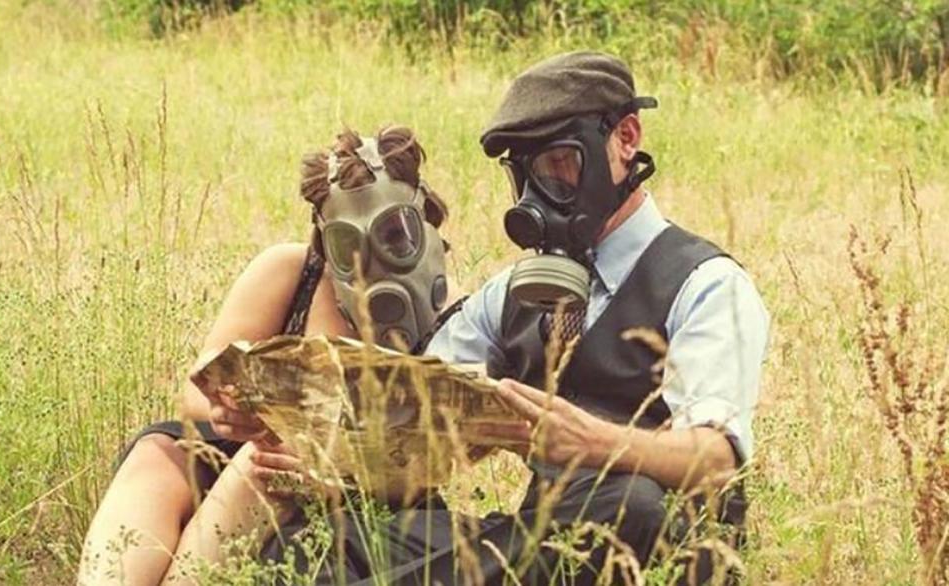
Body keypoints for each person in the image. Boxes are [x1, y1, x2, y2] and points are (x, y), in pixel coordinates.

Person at [265, 51, 770, 585]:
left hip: (650, 550)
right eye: (523, 175)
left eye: (558, 163)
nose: (537, 196)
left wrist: (596, 443)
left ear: (626, 139)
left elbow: (716, 459)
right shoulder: (512, 293)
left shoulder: (705, 283)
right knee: (312, 543)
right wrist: (329, 462)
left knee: (631, 506)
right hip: (536, 544)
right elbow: (412, 405)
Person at [77, 125, 454, 586]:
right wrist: (233, 407)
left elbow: (440, 459)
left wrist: (338, 475)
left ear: (426, 220)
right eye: (347, 244)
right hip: (256, 454)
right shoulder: (293, 272)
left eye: (395, 234)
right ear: (324, 239)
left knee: (266, 462)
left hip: (371, 492)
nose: (370, 258)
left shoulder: (456, 318)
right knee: (157, 454)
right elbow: (197, 391)